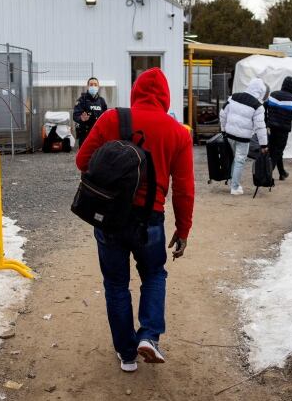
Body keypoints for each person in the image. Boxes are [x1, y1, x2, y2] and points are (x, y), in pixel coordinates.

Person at [75, 68, 194, 373]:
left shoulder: (113, 118)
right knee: (154, 275)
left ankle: (127, 354)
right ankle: (150, 337)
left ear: (135, 91)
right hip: (150, 220)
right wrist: (183, 231)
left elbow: (82, 161)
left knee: (116, 284)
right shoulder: (178, 132)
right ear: (166, 97)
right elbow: (183, 189)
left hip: (110, 216)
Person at [219, 78, 269, 195]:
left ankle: (232, 182)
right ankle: (235, 187)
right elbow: (260, 127)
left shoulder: (233, 97)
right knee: (239, 160)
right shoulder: (258, 106)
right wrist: (264, 144)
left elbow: (223, 113)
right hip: (244, 138)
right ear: (261, 92)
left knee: (233, 159)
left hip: (229, 134)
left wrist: (223, 128)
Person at [73, 77, 108, 147]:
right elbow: (75, 115)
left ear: (98, 86)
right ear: (87, 86)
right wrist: (81, 119)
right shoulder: (82, 100)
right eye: (91, 84)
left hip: (98, 135)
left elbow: (106, 116)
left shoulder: (101, 101)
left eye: (95, 84)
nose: (93, 86)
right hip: (85, 135)